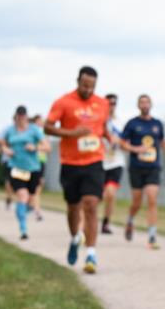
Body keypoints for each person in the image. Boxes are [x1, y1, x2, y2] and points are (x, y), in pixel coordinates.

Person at [45, 66, 109, 273]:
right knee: (73, 208)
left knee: (91, 204)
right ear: (77, 81)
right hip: (71, 163)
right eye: (84, 86)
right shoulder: (63, 102)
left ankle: (91, 254)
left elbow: (103, 128)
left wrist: (111, 138)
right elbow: (47, 127)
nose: (88, 90)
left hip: (94, 161)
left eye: (92, 87)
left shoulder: (102, 103)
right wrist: (72, 133)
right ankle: (75, 238)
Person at [120, 94, 165, 249]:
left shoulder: (157, 124)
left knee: (152, 199)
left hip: (153, 167)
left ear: (151, 104)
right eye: (142, 102)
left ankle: (152, 236)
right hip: (136, 167)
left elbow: (162, 140)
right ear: (138, 105)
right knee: (137, 202)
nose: (144, 105)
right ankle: (130, 220)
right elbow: (122, 143)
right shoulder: (132, 123)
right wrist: (135, 149)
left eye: (147, 102)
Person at [2, 106, 46, 240]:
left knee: (31, 200)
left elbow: (47, 146)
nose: (21, 119)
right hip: (16, 167)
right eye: (19, 116)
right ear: (16, 116)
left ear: (26, 116)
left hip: (33, 168)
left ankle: (21, 210)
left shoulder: (34, 130)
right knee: (22, 196)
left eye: (23, 116)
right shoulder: (10, 130)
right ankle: (23, 229)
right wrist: (6, 150)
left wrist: (35, 147)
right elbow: (2, 143)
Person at [101, 94, 126, 235]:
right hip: (99, 161)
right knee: (96, 196)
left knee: (110, 193)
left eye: (114, 103)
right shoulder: (99, 121)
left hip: (116, 161)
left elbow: (126, 142)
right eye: (109, 103)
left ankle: (106, 222)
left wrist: (120, 142)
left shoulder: (120, 122)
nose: (111, 105)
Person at [31, 114, 51, 221]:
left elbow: (48, 149)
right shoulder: (32, 133)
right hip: (31, 163)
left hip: (41, 162)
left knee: (38, 186)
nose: (42, 122)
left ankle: (33, 205)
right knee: (35, 188)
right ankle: (37, 210)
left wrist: (39, 148)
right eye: (40, 120)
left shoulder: (44, 134)